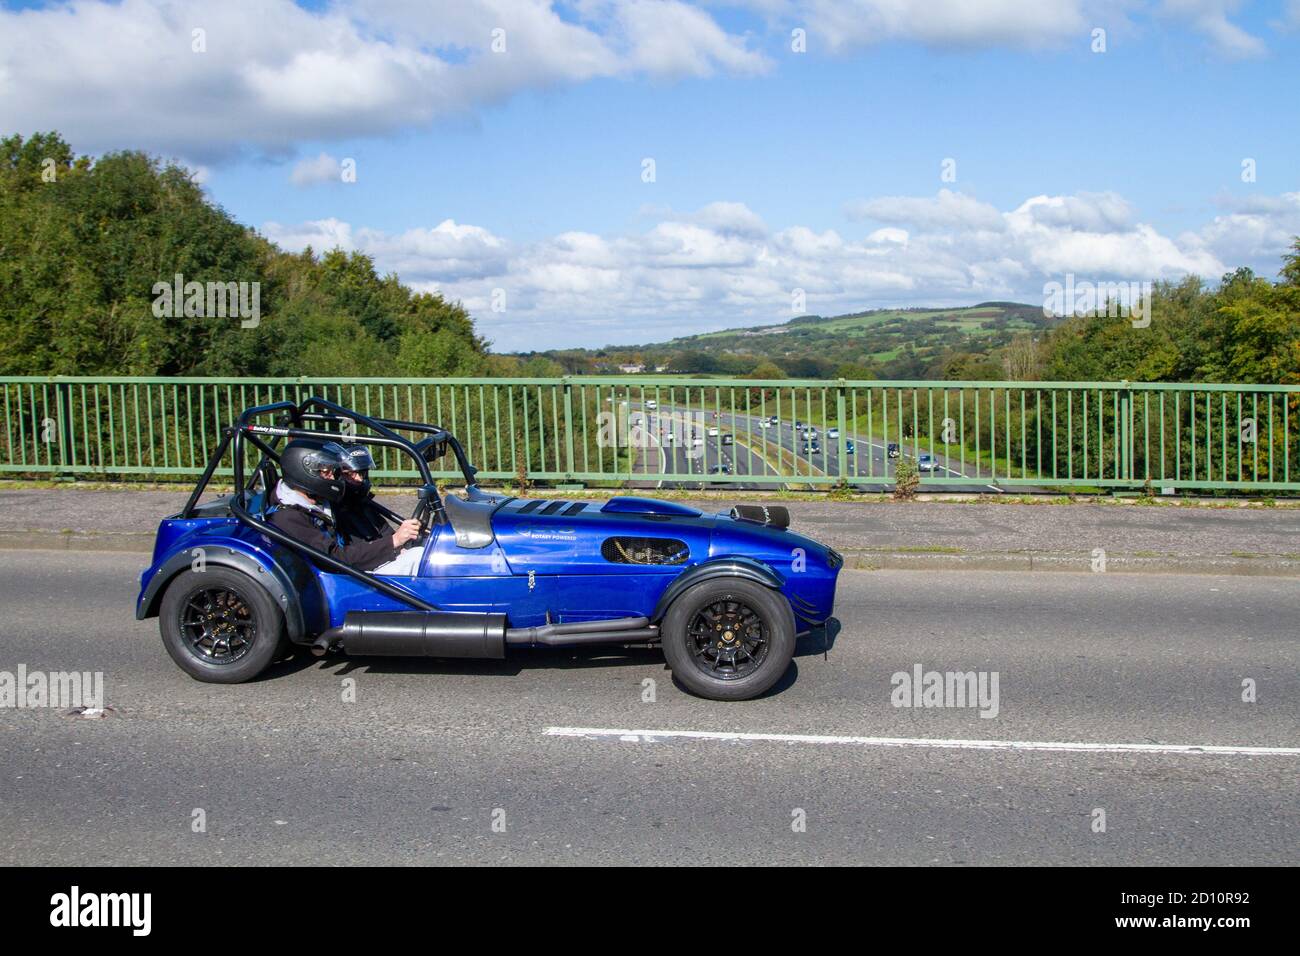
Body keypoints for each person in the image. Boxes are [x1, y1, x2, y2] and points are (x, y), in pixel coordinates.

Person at [268, 439, 422, 573]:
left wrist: (396, 546)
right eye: (325, 472)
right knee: (421, 557)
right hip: (343, 581)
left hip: (355, 568)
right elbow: (336, 558)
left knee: (426, 552)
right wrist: (393, 541)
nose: (332, 477)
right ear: (303, 473)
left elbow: (366, 524)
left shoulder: (318, 502)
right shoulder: (288, 517)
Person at [334, 443, 391, 543]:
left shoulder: (364, 506)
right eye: (350, 474)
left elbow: (387, 532)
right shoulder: (334, 513)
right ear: (337, 475)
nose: (359, 479)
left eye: (362, 473)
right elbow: (353, 554)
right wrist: (395, 542)